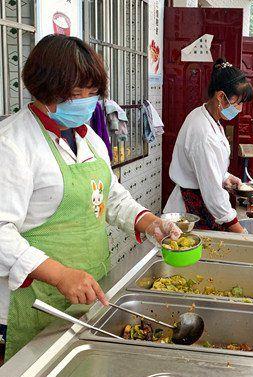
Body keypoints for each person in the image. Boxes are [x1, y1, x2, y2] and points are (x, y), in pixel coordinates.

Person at [0, 35, 182, 360]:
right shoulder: (13, 143)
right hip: (37, 299)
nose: (85, 101)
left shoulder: (88, 137)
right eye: (74, 93)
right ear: (44, 88)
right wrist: (60, 274)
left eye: (92, 91)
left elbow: (111, 197)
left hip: (90, 287)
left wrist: (152, 222)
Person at [165, 58, 253, 232]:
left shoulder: (208, 117)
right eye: (238, 102)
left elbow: (209, 166)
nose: (240, 109)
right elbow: (213, 193)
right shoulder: (202, 131)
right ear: (221, 96)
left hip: (201, 202)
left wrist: (225, 177)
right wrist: (239, 230)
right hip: (192, 210)